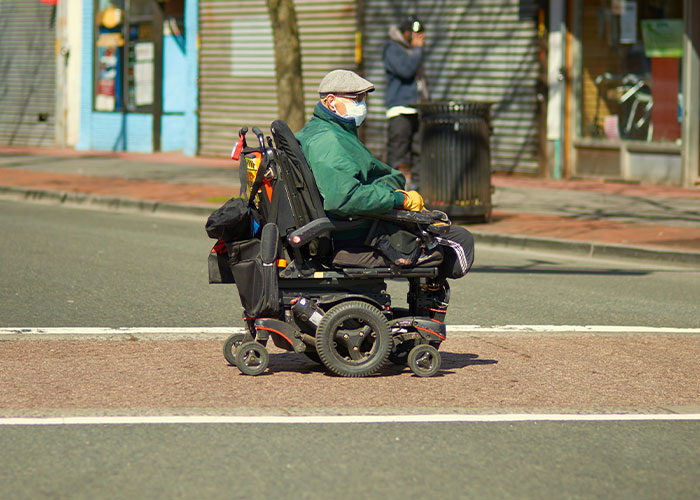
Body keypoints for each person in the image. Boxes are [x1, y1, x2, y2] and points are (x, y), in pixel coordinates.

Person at [296, 69, 473, 279]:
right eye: (357, 98)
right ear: (331, 101)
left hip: (361, 221)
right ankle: (430, 301)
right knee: (460, 240)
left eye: (364, 98)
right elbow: (344, 198)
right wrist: (399, 199)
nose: (362, 105)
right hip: (358, 230)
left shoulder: (323, 131)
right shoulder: (329, 141)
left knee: (436, 227)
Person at [383, 17, 429, 190]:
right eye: (416, 35)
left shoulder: (413, 51)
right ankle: (392, 192)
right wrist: (417, 50)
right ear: (406, 34)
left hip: (416, 109)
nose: (420, 39)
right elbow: (406, 70)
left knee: (419, 153)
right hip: (400, 109)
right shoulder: (392, 49)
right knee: (397, 153)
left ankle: (416, 191)